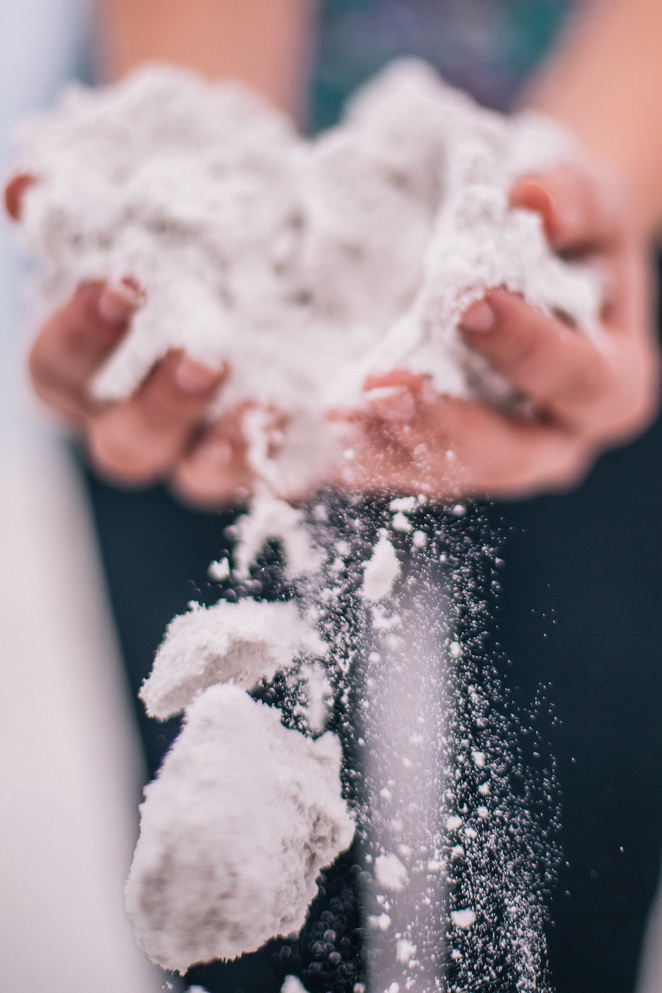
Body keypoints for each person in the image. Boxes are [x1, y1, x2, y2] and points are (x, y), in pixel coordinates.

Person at [5, 1, 662, 990]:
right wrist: (207, 187)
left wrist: (571, 194)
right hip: (181, 180)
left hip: (616, 171)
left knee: (567, 875)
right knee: (236, 896)